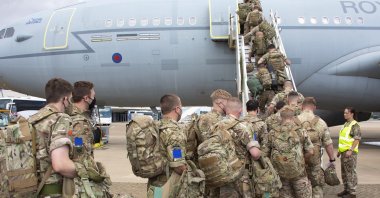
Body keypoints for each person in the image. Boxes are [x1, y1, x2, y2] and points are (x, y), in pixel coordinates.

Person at [28, 78, 76, 197]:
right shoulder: (61, 118)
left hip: (34, 188)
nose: (71, 104)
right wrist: (86, 171)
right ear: (64, 99)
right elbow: (60, 165)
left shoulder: (33, 119)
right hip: (52, 190)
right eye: (70, 100)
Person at [262, 106, 314, 198]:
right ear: (293, 117)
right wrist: (302, 160)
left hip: (280, 173)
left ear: (281, 117)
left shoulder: (272, 133)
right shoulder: (300, 131)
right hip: (299, 172)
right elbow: (310, 151)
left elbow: (264, 154)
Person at [219, 97, 261, 198]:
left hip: (223, 172)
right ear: (240, 110)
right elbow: (255, 154)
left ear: (226, 109)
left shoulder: (216, 126)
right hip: (241, 174)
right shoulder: (243, 127)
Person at [147, 94, 187, 197]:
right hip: (168, 187)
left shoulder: (155, 126)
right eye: (181, 107)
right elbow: (178, 164)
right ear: (177, 109)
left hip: (154, 186)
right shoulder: (174, 132)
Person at [296, 97, 335, 198]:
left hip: (299, 161)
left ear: (301, 106)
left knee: (300, 187)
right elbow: (328, 144)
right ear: (314, 107)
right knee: (317, 186)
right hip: (315, 161)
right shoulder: (321, 123)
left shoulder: (295, 121)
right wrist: (332, 159)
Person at [337, 107, 361, 198]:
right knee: (344, 172)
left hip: (350, 153)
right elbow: (343, 140)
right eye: (344, 113)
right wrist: (339, 151)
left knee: (351, 172)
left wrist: (351, 150)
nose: (344, 114)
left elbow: (357, 139)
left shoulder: (355, 125)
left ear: (352, 114)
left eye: (346, 113)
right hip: (344, 152)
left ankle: (352, 192)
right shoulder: (346, 124)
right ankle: (346, 189)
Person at [68, 81, 97, 157]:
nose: (94, 99)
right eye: (93, 96)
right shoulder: (79, 121)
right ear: (86, 98)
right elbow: (79, 153)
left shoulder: (70, 114)